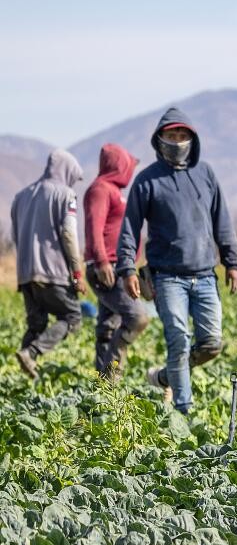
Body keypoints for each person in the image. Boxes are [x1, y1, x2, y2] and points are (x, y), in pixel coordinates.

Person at [117, 108, 237, 414]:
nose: (177, 141)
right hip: (166, 277)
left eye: (182, 135)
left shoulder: (205, 174)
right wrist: (127, 267)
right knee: (178, 339)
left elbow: (221, 220)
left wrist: (232, 262)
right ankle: (183, 412)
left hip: (205, 274)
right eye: (171, 136)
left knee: (212, 343)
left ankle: (163, 376)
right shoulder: (147, 181)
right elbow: (130, 227)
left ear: (191, 139)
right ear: (159, 140)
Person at [10, 149, 85, 378]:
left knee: (36, 324)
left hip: (25, 273)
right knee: (72, 318)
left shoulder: (21, 196)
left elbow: (15, 236)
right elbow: (69, 235)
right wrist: (77, 273)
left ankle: (21, 376)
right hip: (53, 271)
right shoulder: (66, 195)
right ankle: (32, 353)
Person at [84, 143, 149, 378]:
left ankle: (101, 391)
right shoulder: (100, 189)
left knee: (107, 327)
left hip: (116, 267)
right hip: (107, 268)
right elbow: (94, 226)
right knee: (137, 317)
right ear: (119, 164)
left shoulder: (113, 191)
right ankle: (111, 377)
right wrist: (101, 261)